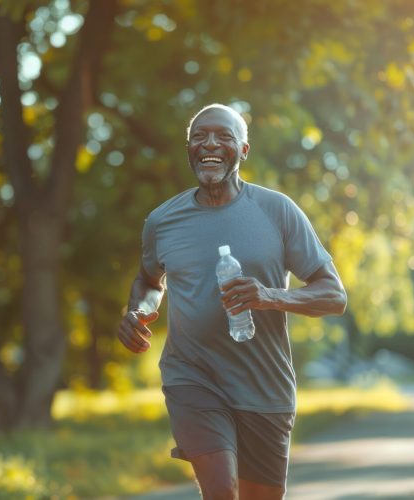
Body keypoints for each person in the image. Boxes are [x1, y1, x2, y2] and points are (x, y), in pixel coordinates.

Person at [118, 103, 347, 499]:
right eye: (200, 136)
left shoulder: (278, 211)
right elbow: (149, 280)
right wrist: (138, 309)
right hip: (192, 376)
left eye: (224, 136)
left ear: (243, 151)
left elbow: (334, 295)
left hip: (264, 384)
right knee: (221, 491)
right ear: (189, 148)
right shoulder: (162, 221)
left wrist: (269, 295)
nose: (210, 143)